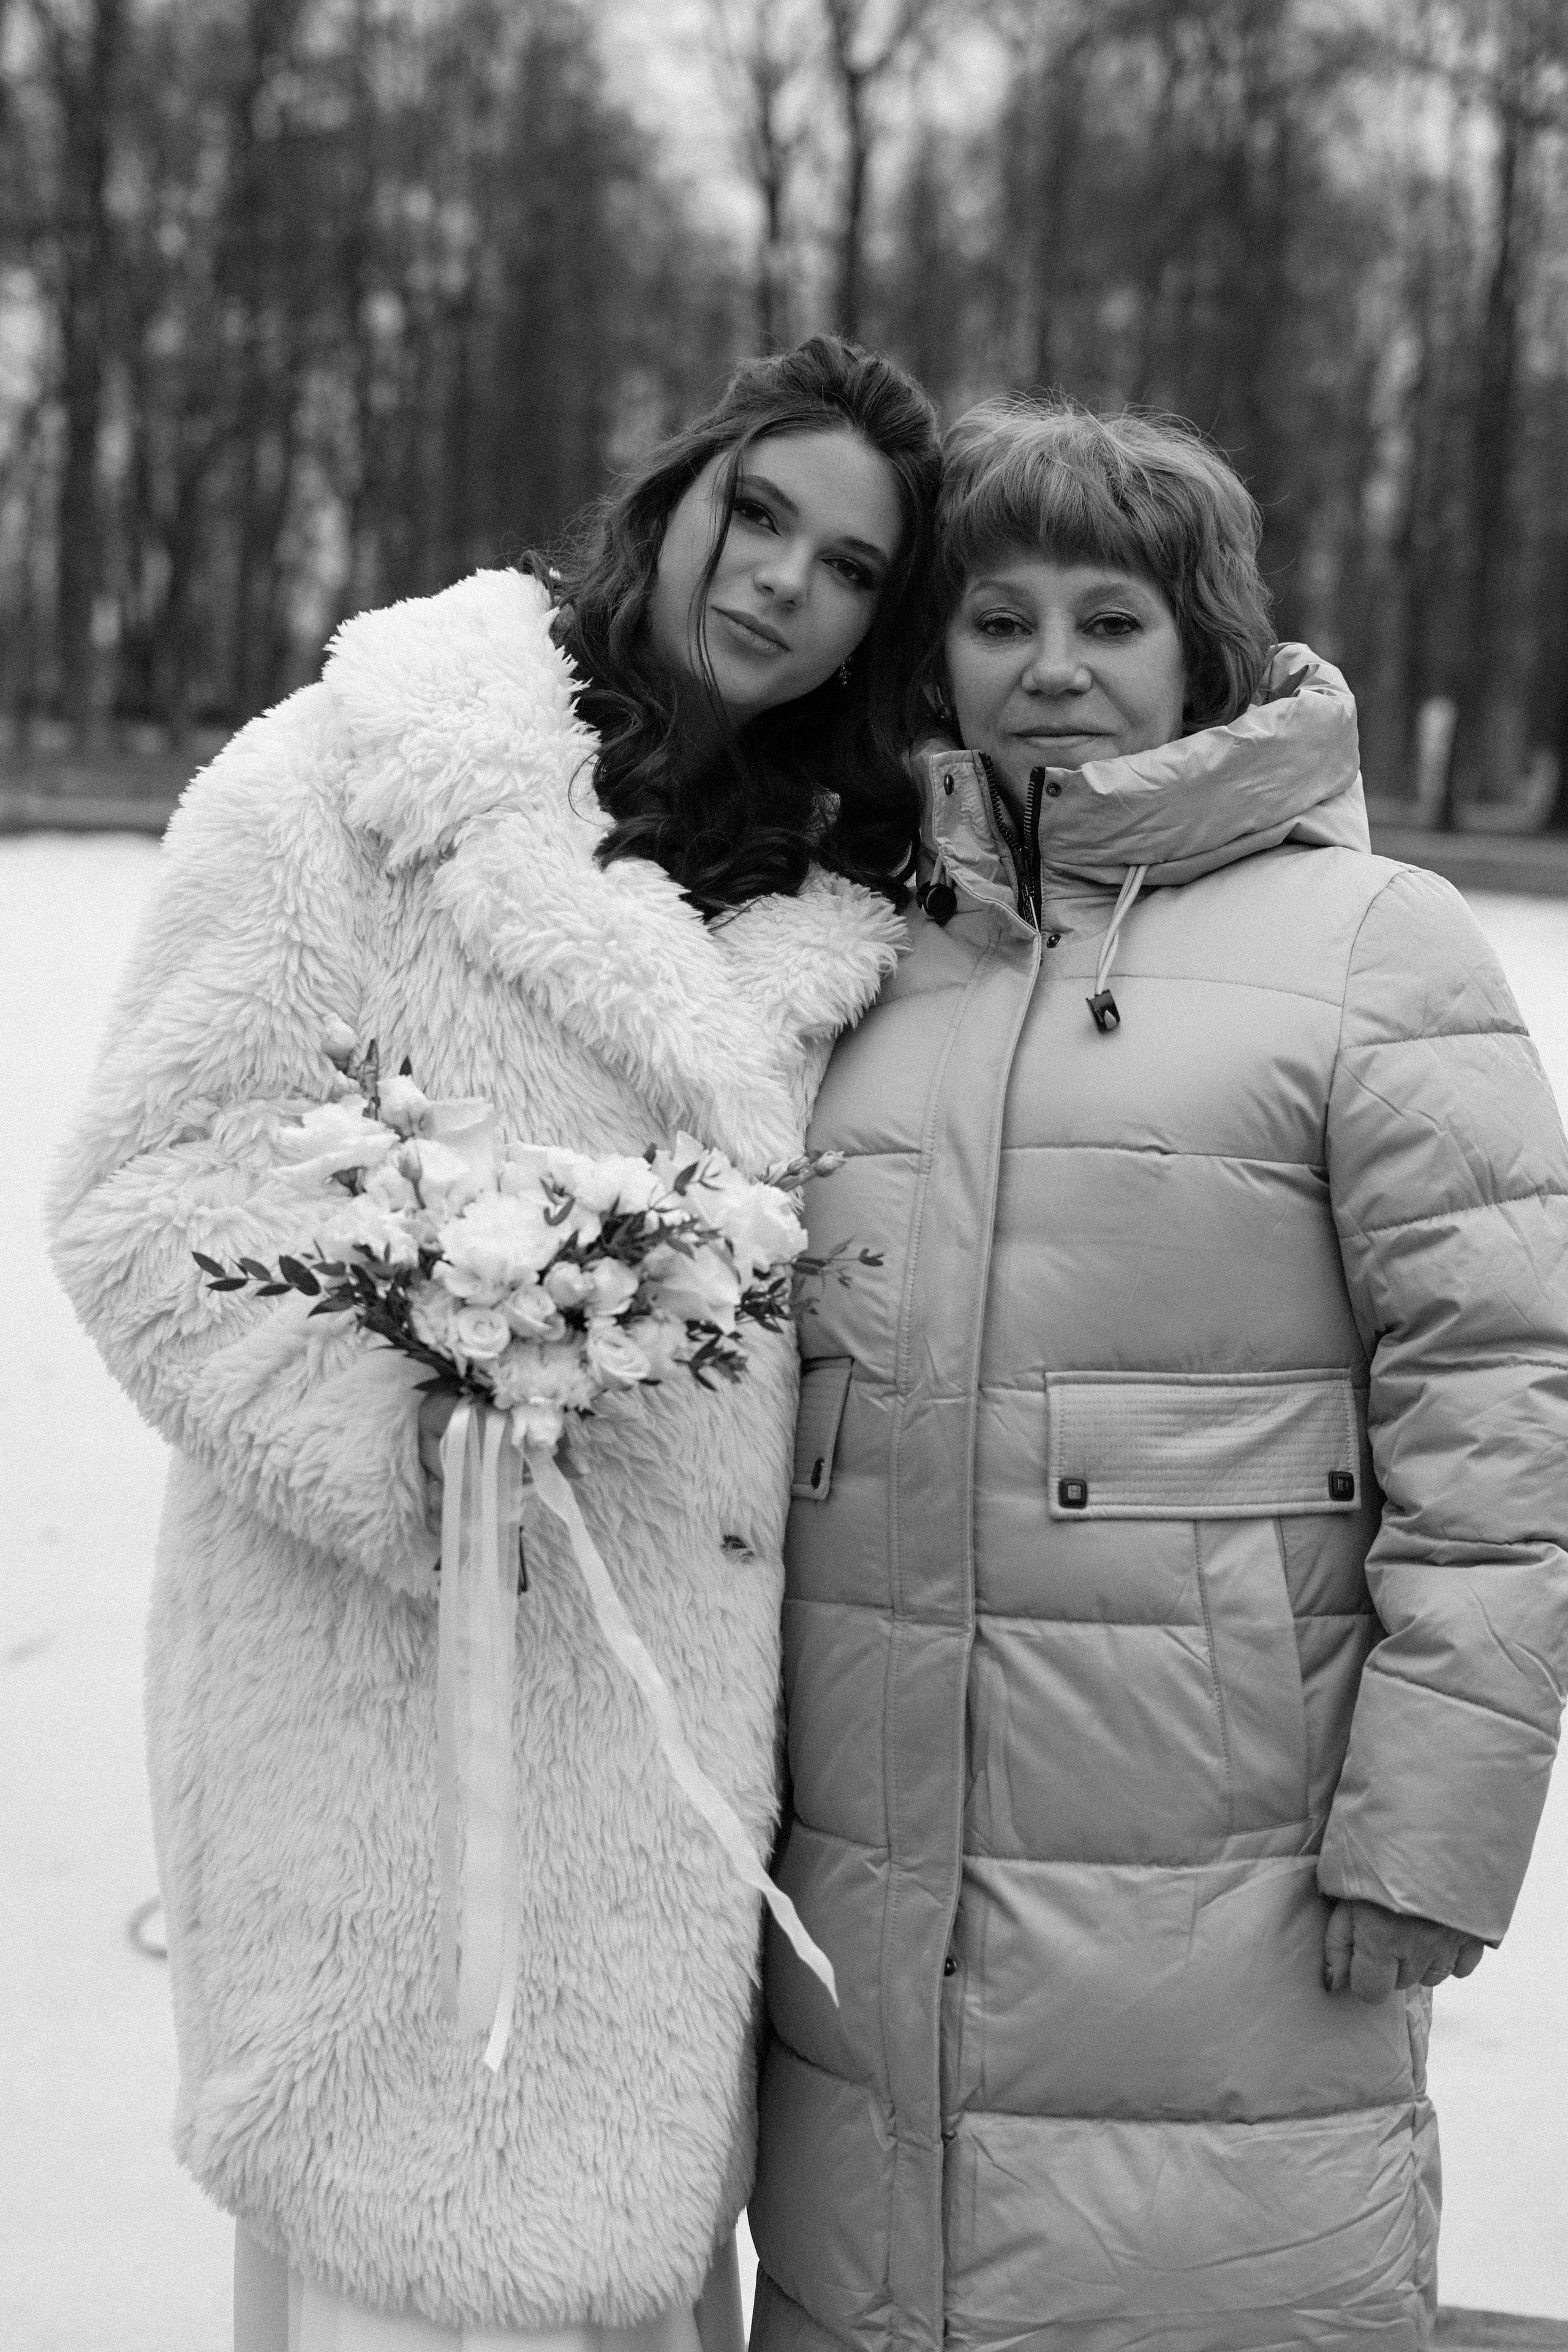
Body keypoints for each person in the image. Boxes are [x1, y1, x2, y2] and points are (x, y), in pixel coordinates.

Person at [47, 335, 940, 2352]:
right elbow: (149, 1186)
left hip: (700, 1773)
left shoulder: (859, 896)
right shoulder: (351, 782)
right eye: (763, 510)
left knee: (641, 2271)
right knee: (395, 2271)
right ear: (676, 491)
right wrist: (430, 1408)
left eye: (857, 566)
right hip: (384, 1711)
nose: (788, 578)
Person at [752, 395, 1568, 2352]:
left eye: (1108, 621)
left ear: (1204, 645)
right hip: (859, 1884)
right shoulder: (857, 954)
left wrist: (1434, 1827)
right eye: (998, 618)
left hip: (1233, 1876)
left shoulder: (1377, 947)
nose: (1049, 672)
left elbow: (1504, 1406)